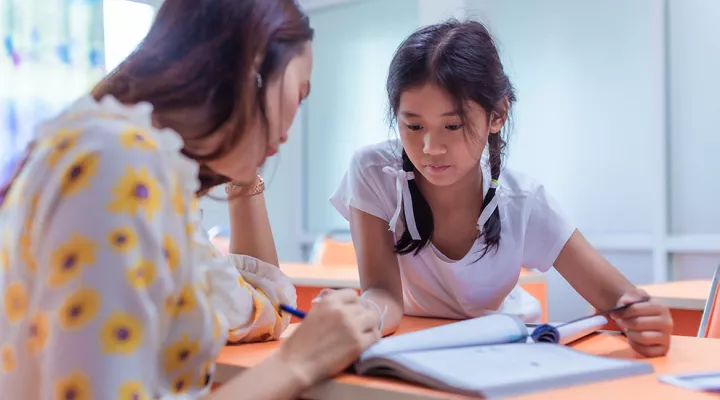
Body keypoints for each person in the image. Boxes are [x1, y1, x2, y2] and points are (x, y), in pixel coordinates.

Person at [0, 0, 380, 399]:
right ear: (251, 66)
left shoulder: (136, 165)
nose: (288, 131)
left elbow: (260, 307)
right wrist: (296, 364)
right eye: (299, 94)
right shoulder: (119, 162)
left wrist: (242, 166)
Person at [330, 19, 673, 357]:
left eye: (452, 125)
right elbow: (381, 292)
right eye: (414, 125)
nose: (431, 146)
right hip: (417, 346)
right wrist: (363, 315)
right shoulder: (374, 170)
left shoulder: (523, 202)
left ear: (497, 114)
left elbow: (618, 297)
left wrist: (644, 318)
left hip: (506, 352)